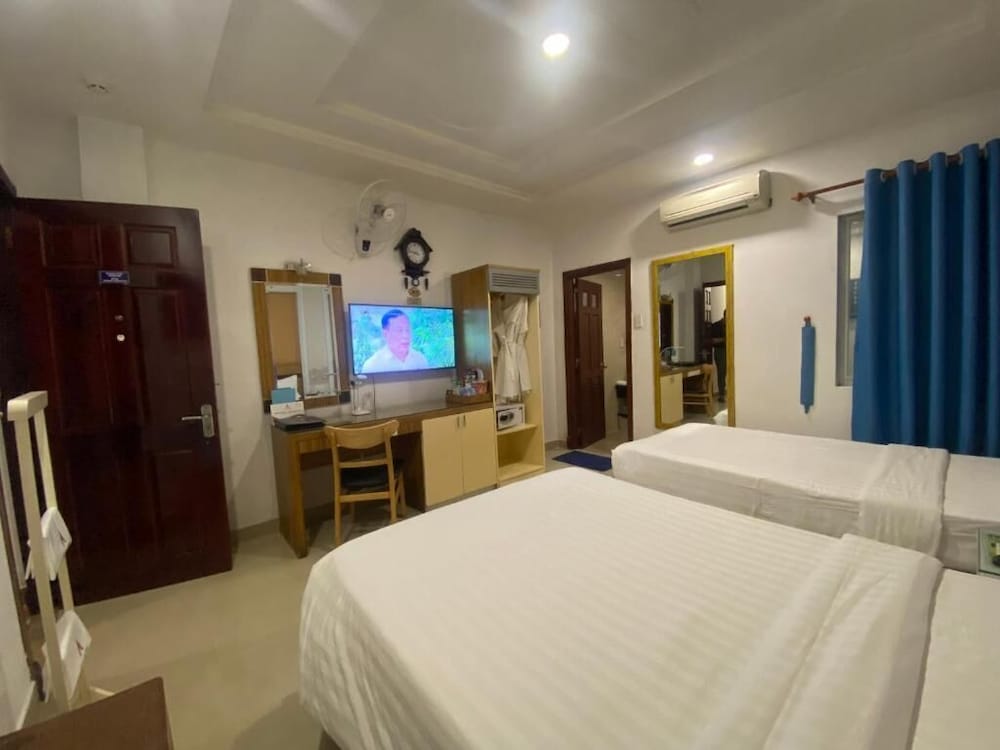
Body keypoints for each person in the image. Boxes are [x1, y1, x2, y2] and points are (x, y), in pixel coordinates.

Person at [361, 309, 430, 373]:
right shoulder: (372, 365)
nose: (405, 335)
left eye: (407, 330)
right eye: (399, 330)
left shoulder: (420, 359)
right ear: (385, 334)